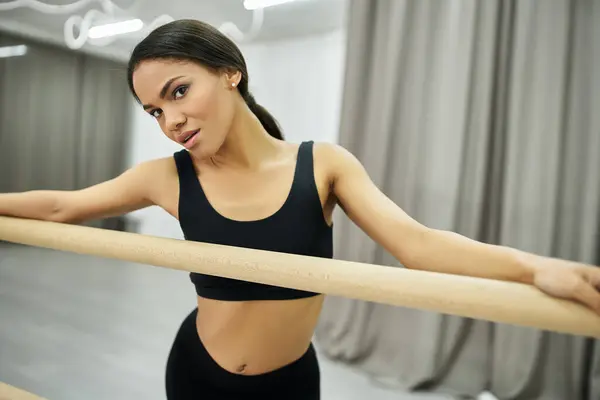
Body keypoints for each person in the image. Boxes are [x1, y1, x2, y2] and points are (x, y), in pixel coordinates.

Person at [0, 18, 599, 400]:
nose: (170, 120)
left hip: (288, 385)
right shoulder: (167, 177)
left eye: (178, 91)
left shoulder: (323, 165)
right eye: (154, 111)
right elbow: (60, 206)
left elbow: (419, 243)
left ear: (230, 72)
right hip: (195, 373)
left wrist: (537, 270)